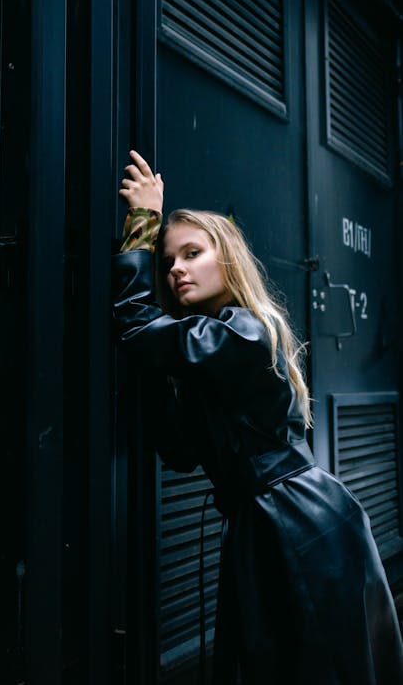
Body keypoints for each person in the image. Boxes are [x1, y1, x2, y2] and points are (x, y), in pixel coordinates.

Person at [112, 150, 403, 684]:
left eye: (192, 253)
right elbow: (177, 452)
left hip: (299, 525)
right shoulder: (206, 349)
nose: (175, 268)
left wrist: (144, 224)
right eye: (167, 259)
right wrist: (158, 370)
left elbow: (134, 325)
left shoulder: (242, 331)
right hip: (264, 523)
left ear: (227, 260)